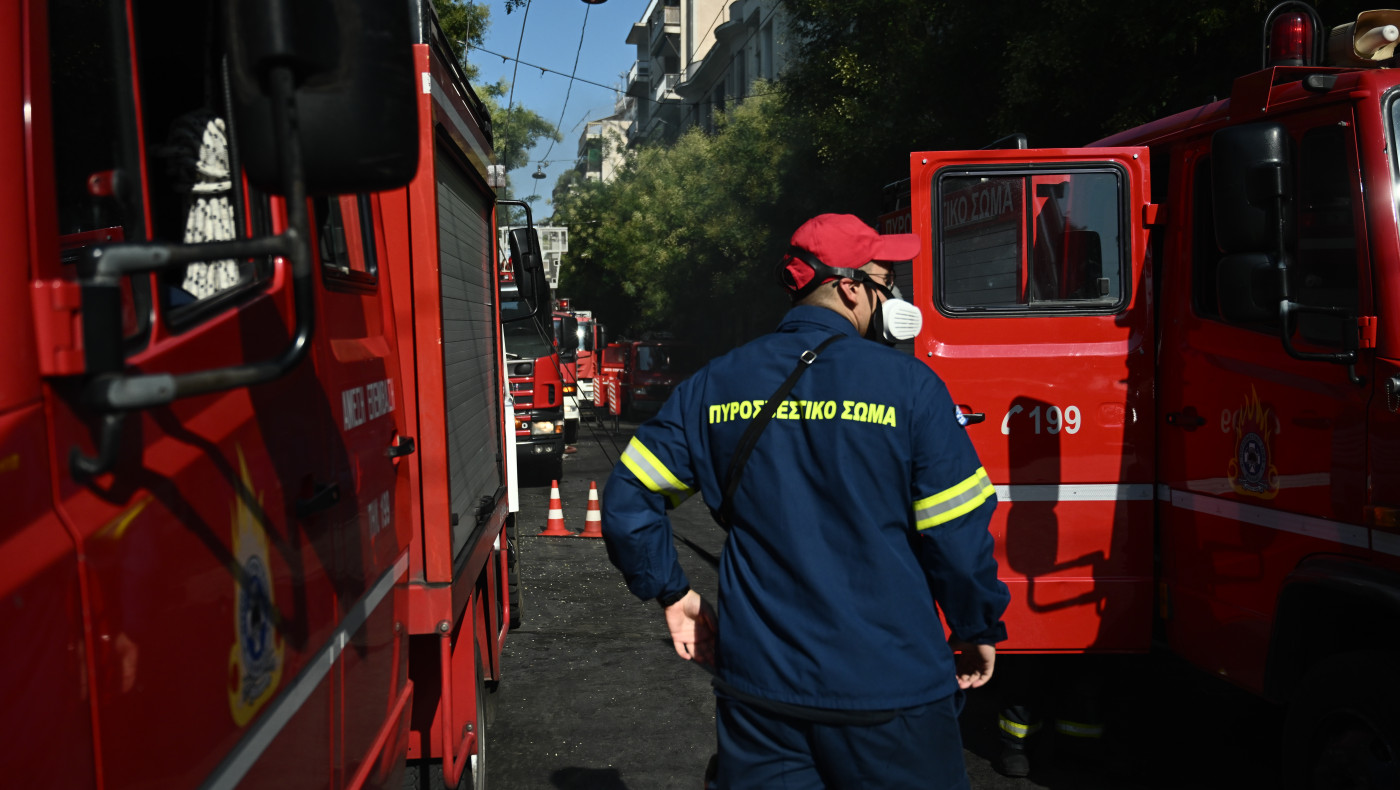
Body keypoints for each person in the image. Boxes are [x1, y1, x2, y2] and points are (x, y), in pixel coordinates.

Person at [601, 213, 1011, 789]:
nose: (888, 293)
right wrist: (975, 625)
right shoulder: (911, 387)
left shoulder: (716, 383)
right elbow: (957, 533)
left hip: (761, 695)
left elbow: (630, 496)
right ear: (850, 287)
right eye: (884, 279)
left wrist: (674, 593)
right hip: (890, 690)